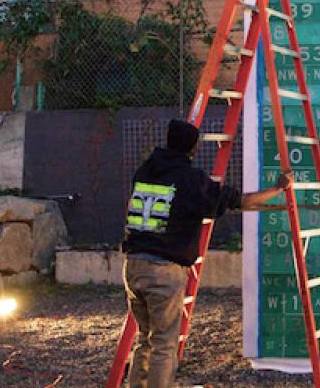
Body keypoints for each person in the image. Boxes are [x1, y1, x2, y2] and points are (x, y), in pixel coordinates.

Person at [122, 119, 292, 388]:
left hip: (133, 264)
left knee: (145, 338)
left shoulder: (145, 171)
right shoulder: (190, 180)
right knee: (165, 345)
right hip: (163, 270)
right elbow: (239, 201)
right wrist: (278, 188)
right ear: (193, 149)